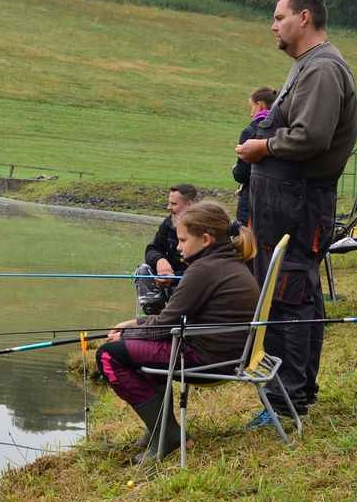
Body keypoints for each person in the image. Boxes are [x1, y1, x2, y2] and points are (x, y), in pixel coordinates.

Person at [236, 0, 357, 424]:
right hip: (283, 202)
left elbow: (312, 136)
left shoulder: (323, 68)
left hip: (298, 202)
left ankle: (287, 401)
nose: (273, 26)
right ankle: (291, 394)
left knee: (289, 294)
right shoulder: (307, 65)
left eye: (279, 17)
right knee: (289, 291)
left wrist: (263, 147)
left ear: (304, 17)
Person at [99, 202, 260, 462]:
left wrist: (127, 335)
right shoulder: (226, 261)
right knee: (137, 350)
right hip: (229, 356)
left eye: (183, 240)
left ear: (205, 239)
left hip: (209, 361)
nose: (177, 247)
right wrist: (135, 324)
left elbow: (165, 325)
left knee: (109, 356)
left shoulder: (204, 269)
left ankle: (168, 434)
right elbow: (172, 319)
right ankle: (159, 428)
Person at [134, 184, 198, 315]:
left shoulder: (203, 229)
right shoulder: (168, 223)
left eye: (174, 204)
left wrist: (173, 278)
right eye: (169, 203)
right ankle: (154, 315)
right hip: (168, 279)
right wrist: (160, 261)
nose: (169, 208)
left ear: (190, 205)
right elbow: (152, 249)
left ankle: (174, 317)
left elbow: (203, 270)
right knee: (142, 270)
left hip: (192, 284)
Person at [232, 87, 277, 227]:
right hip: (279, 197)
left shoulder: (251, 131)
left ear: (260, 105)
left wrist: (235, 170)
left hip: (253, 199)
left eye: (252, 106)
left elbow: (242, 174)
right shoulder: (284, 129)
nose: (251, 113)